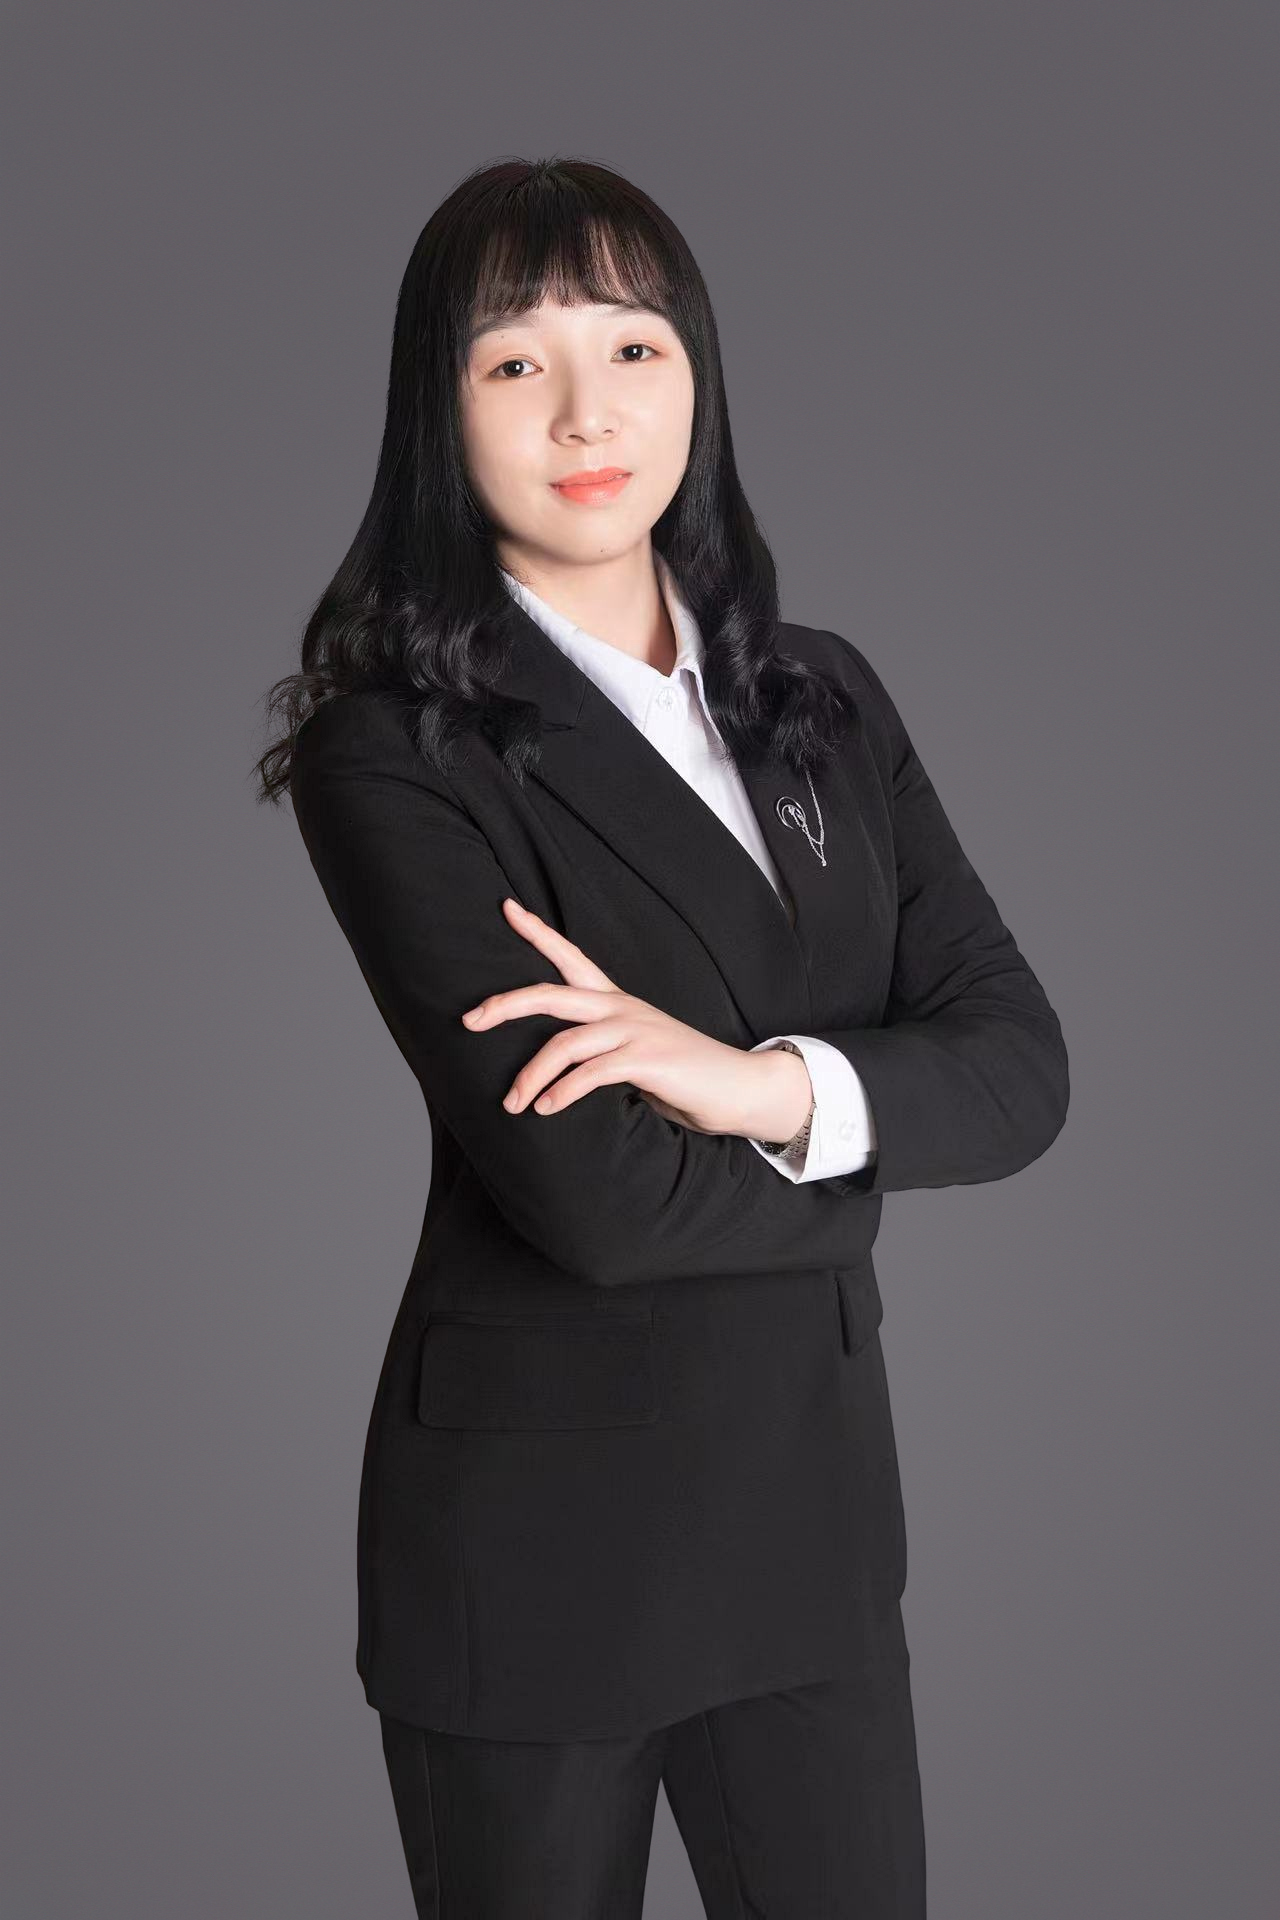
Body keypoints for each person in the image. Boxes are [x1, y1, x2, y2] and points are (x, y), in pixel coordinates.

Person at [255, 155, 1069, 1919]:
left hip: (811, 1531)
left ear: (699, 376)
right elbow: (600, 1204)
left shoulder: (822, 696)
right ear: (438, 412)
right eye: (513, 362)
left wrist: (747, 1085)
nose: (584, 412)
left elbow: (1022, 1066)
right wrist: (871, 1127)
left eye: (633, 348)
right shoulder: (394, 748)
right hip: (533, 1557)